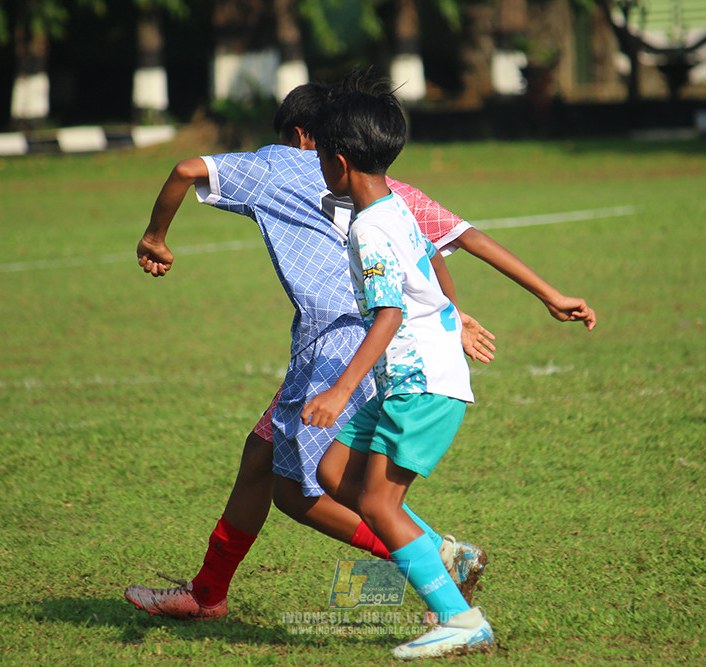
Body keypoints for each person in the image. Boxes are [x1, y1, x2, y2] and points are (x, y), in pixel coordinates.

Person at [124, 83, 495, 622]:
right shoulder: (381, 183)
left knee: (303, 492)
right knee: (261, 459)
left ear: (302, 136)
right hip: (380, 336)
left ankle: (437, 557)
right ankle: (208, 593)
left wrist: (154, 237)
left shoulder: (279, 164)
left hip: (340, 344)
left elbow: (185, 170)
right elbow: (431, 246)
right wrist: (450, 315)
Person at [301, 71, 493, 659]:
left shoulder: (368, 228)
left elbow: (386, 314)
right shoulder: (395, 205)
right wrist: (453, 317)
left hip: (420, 383)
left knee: (380, 504)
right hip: (409, 379)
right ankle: (442, 557)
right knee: (336, 475)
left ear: (337, 162)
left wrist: (340, 391)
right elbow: (431, 265)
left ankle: (460, 620)